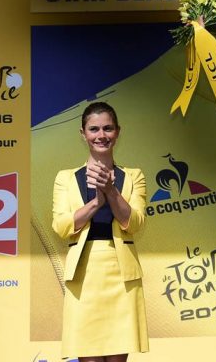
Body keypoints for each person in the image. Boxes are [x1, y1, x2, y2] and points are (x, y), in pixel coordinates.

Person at [51, 102, 149, 362]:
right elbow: (62, 227)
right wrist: (96, 202)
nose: (101, 135)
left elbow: (136, 223)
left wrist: (112, 191)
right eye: (93, 129)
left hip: (122, 277)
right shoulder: (65, 178)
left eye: (107, 128)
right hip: (84, 277)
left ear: (117, 132)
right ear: (83, 134)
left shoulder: (133, 176)